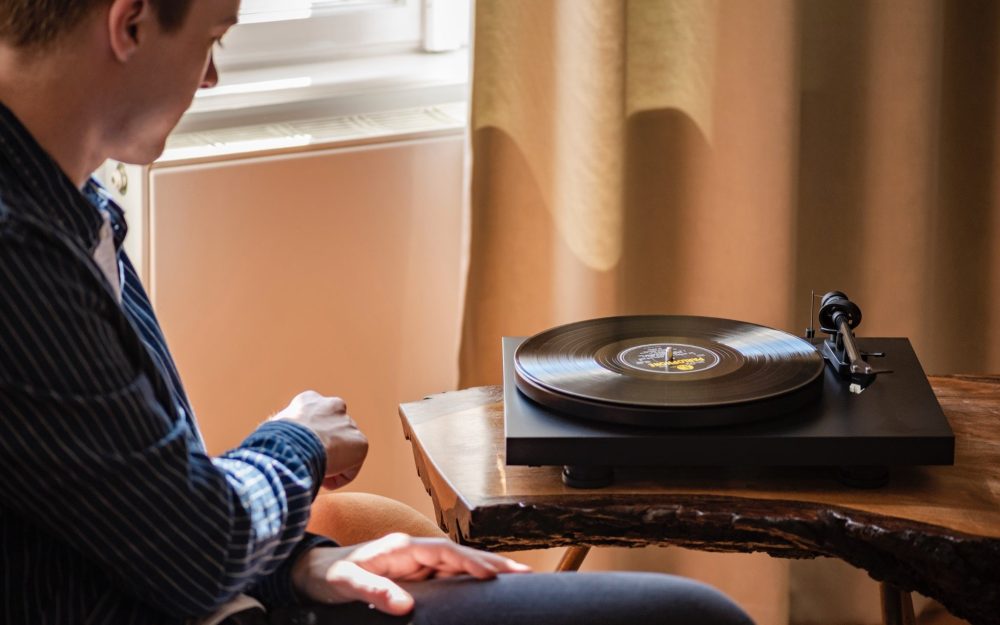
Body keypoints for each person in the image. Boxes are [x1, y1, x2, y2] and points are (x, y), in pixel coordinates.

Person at [0, 1, 756, 624]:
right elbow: (191, 547)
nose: (211, 74)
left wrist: (305, 564)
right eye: (211, 37)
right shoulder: (20, 253)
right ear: (128, 24)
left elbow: (124, 505)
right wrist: (297, 442)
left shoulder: (71, 205)